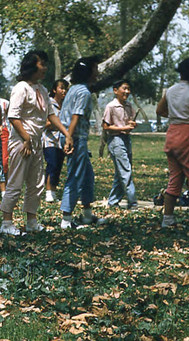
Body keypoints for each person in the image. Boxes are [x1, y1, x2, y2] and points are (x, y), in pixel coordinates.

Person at [0, 50, 73, 235]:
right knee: (15, 182)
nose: (45, 68)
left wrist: (66, 133)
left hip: (36, 142)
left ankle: (31, 221)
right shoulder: (21, 88)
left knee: (36, 183)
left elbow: (51, 115)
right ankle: (7, 223)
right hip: (21, 142)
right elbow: (13, 117)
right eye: (42, 64)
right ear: (32, 66)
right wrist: (26, 139)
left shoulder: (42, 89)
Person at [156, 57, 189, 232]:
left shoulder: (170, 91)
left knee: (175, 179)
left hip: (172, 134)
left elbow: (159, 110)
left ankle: (167, 218)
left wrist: (174, 116)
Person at [59, 56, 107, 229]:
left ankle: (87, 215)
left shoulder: (74, 89)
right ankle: (66, 220)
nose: (98, 72)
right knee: (75, 176)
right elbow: (75, 116)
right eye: (95, 68)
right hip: (75, 138)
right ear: (88, 71)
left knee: (87, 175)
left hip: (74, 137)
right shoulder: (84, 93)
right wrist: (69, 139)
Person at [102, 79, 138, 209]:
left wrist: (132, 125)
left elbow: (131, 122)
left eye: (128, 89)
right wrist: (122, 128)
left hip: (127, 139)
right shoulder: (111, 106)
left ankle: (113, 202)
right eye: (124, 88)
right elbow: (106, 126)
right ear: (115, 90)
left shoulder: (129, 106)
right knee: (125, 171)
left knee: (121, 173)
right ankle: (133, 203)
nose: (127, 92)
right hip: (116, 140)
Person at [43, 79, 69, 202]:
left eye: (66, 89)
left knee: (58, 166)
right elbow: (45, 123)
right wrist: (57, 125)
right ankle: (48, 192)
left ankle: (53, 191)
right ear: (54, 90)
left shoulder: (65, 105)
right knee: (52, 164)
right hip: (49, 140)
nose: (64, 91)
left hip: (61, 140)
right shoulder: (48, 104)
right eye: (61, 88)